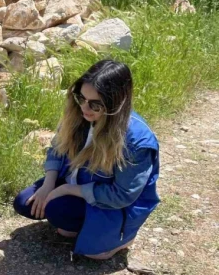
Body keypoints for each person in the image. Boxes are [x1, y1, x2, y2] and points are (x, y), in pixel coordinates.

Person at [13, 59, 160, 259]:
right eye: (81, 98)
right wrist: (48, 185)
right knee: (24, 202)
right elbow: (57, 148)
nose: (85, 107)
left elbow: (122, 196)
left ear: (117, 102)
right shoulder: (79, 114)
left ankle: (121, 238)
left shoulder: (136, 141)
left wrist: (65, 189)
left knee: (56, 209)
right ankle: (76, 224)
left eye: (95, 104)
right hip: (76, 182)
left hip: (109, 203)